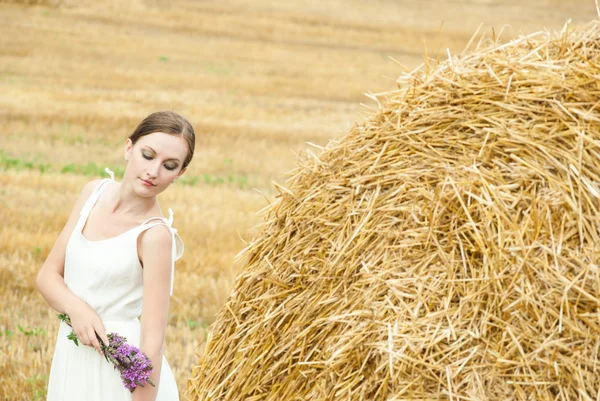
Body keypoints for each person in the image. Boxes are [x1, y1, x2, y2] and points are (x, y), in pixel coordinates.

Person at [36, 110, 195, 401]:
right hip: (73, 356)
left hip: (119, 372)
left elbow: (152, 342)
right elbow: (47, 276)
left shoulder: (156, 236)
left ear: (179, 174)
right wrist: (77, 310)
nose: (153, 172)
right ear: (128, 148)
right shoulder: (92, 193)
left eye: (169, 165)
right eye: (148, 155)